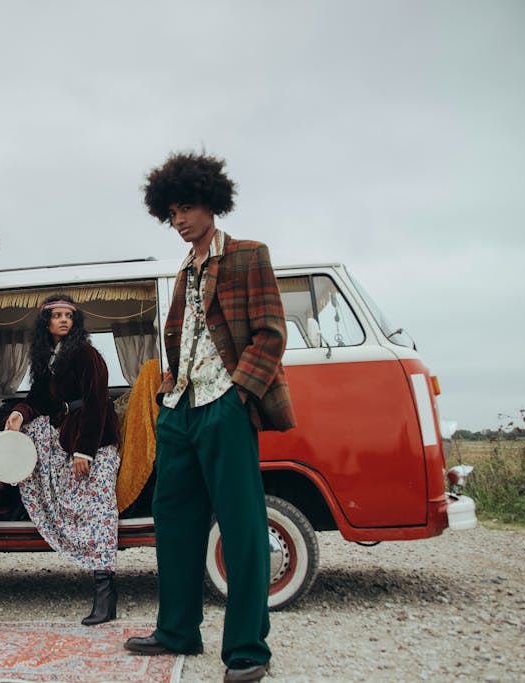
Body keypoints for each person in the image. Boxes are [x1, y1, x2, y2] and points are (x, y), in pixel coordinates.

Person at [123, 152, 296, 683]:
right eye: (172, 212)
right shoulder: (183, 271)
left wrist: (239, 394)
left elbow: (270, 332)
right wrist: (171, 383)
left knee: (242, 528)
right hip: (180, 411)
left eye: (188, 208)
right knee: (173, 525)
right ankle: (178, 629)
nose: (179, 220)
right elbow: (181, 339)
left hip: (225, 405)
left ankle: (247, 649)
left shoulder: (247, 255)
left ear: (212, 204)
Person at [4, 294, 122, 625]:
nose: (63, 320)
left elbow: (98, 401)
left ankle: (105, 592)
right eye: (56, 315)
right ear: (46, 323)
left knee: (100, 506)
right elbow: (37, 399)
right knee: (28, 431)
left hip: (96, 438)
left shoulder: (86, 353)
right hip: (67, 432)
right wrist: (18, 413)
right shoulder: (45, 357)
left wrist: (85, 451)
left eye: (68, 315)